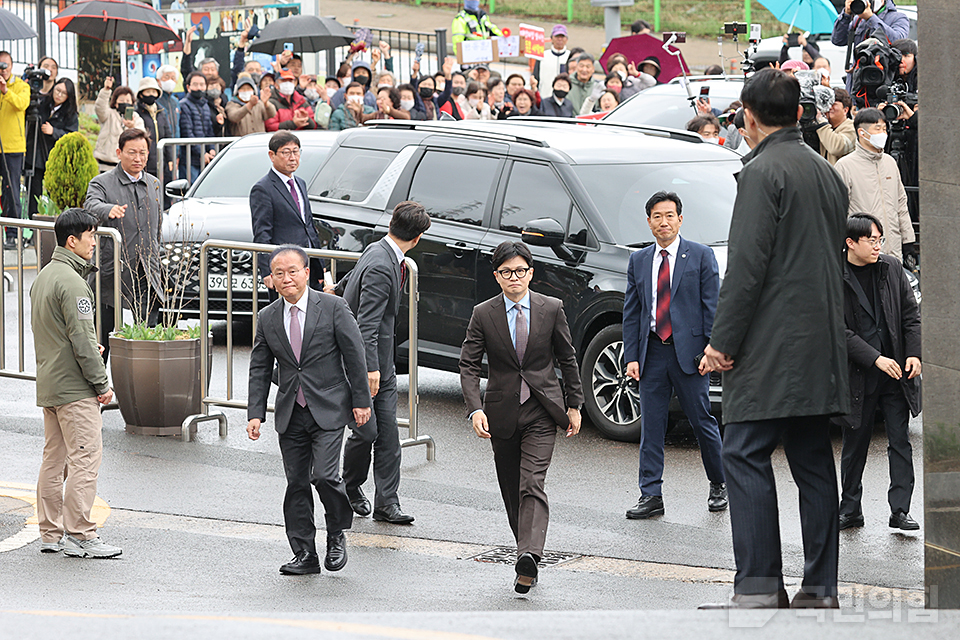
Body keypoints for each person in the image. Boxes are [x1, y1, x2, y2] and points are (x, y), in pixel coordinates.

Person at [699, 68, 850, 610]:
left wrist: (721, 342)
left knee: (742, 453)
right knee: (812, 461)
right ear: (802, 114)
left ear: (747, 116)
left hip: (769, 344)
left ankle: (760, 587)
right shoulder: (826, 171)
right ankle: (820, 589)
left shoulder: (762, 172)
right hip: (821, 341)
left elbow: (747, 268)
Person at [460, 241, 583, 594]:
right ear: (497, 276)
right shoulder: (484, 313)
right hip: (501, 413)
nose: (514, 277)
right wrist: (475, 407)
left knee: (532, 483)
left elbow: (567, 358)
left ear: (531, 272)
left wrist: (574, 404)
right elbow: (468, 364)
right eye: (506, 272)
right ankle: (524, 552)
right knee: (512, 490)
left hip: (543, 410)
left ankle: (529, 555)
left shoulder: (551, 308)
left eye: (520, 270)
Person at [247, 245, 371, 576]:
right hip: (291, 411)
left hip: (329, 407)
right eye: (278, 273)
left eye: (292, 271)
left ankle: (336, 533)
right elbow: (260, 367)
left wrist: (361, 401)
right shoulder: (268, 316)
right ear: (271, 279)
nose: (286, 278)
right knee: (297, 483)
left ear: (306, 273)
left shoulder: (333, 307)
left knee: (326, 476)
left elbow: (355, 355)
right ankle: (304, 553)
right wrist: (254, 413)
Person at [622, 192, 726, 520]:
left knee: (702, 421)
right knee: (651, 425)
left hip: (690, 355)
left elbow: (712, 307)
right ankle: (650, 494)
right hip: (653, 351)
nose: (663, 222)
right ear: (649, 221)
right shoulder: (639, 260)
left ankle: (719, 483)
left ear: (680, 219)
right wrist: (632, 356)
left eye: (669, 215)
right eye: (657, 216)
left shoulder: (700, 256)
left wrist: (710, 350)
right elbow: (632, 311)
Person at [30, 208, 120, 559]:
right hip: (74, 389)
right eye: (91, 236)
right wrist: (101, 383)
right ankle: (81, 534)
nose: (94, 243)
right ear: (73, 240)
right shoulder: (72, 281)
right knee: (84, 459)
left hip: (51, 385)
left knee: (54, 461)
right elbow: (82, 340)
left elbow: (54, 333)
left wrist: (83, 346)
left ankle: (50, 533)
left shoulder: (45, 277)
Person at [340, 202, 431, 525]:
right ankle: (349, 485)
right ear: (417, 238)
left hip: (383, 361)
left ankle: (387, 503)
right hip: (370, 362)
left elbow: (352, 283)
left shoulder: (380, 250)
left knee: (388, 435)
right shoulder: (382, 264)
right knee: (367, 432)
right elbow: (368, 323)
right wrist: (371, 369)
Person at [837, 213, 921, 532]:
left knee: (900, 441)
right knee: (855, 444)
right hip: (859, 373)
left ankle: (900, 510)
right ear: (850, 243)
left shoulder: (891, 267)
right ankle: (850, 509)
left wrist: (914, 353)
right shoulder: (833, 274)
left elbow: (911, 316)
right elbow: (836, 329)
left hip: (897, 372)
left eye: (880, 239)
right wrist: (874, 358)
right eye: (871, 240)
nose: (877, 246)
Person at [84, 129, 165, 361]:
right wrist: (107, 210)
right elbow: (90, 204)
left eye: (143, 153)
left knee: (147, 332)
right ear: (119, 153)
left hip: (146, 267)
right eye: (132, 153)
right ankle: (98, 387)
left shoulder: (154, 184)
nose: (138, 158)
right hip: (113, 267)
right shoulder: (102, 183)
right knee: (104, 331)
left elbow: (157, 225)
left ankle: (142, 384)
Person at [250, 131, 326, 301]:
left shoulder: (300, 183)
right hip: (284, 269)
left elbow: (308, 225)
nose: (292, 157)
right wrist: (267, 271)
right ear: (272, 155)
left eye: (296, 151)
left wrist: (320, 264)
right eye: (286, 152)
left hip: (306, 265)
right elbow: (262, 233)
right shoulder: (263, 188)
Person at [835, 108, 914, 261]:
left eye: (884, 129)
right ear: (861, 133)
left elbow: (901, 203)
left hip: (893, 249)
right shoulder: (845, 166)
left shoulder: (890, 162)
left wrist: (908, 240)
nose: (883, 134)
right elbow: (838, 211)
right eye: (877, 129)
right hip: (862, 252)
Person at [24, 78, 79, 219]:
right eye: (57, 90)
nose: (59, 95)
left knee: (53, 196)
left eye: (64, 93)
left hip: (54, 158)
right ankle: (32, 224)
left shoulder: (70, 113)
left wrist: (53, 131)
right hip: (35, 155)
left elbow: (72, 136)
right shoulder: (41, 104)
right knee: (33, 193)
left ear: (69, 96)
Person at [832, 0, 910, 92]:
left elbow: (897, 41)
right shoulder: (858, 19)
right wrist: (846, 15)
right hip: (857, 83)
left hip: (882, 82)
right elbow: (838, 40)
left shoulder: (898, 17)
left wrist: (871, 18)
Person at [0, 50, 30, 247]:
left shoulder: (21, 86)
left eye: (5, 65)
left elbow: (22, 104)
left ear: (12, 66)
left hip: (12, 147)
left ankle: (13, 233)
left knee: (11, 190)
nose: (2, 70)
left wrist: (6, 91)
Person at [179, 71, 218, 182]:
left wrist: (211, 149)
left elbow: (209, 130)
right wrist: (201, 152)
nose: (199, 88)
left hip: (205, 158)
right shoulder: (184, 105)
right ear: (188, 87)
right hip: (190, 158)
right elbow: (187, 132)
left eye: (202, 84)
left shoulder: (205, 105)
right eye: (195, 84)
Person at [134, 77, 172, 182]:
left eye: (153, 92)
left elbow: (168, 135)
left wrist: (170, 159)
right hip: (146, 160)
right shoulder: (137, 113)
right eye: (147, 91)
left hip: (162, 160)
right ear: (141, 94)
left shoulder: (162, 112)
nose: (151, 94)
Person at [816, 87, 856, 165]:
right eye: (827, 104)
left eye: (833, 104)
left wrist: (821, 120)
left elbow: (836, 148)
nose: (829, 107)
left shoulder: (852, 127)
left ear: (845, 110)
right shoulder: (825, 128)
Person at [155, 65, 181, 184]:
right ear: (158, 80)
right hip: (160, 151)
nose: (170, 80)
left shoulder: (175, 102)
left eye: (173, 78)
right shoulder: (156, 101)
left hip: (175, 150)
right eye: (167, 77)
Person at [533, 25, 571, 101]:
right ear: (551, 39)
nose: (560, 39)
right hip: (545, 98)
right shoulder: (542, 56)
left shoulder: (570, 56)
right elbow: (536, 77)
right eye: (557, 36)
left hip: (565, 100)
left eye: (562, 37)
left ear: (566, 39)